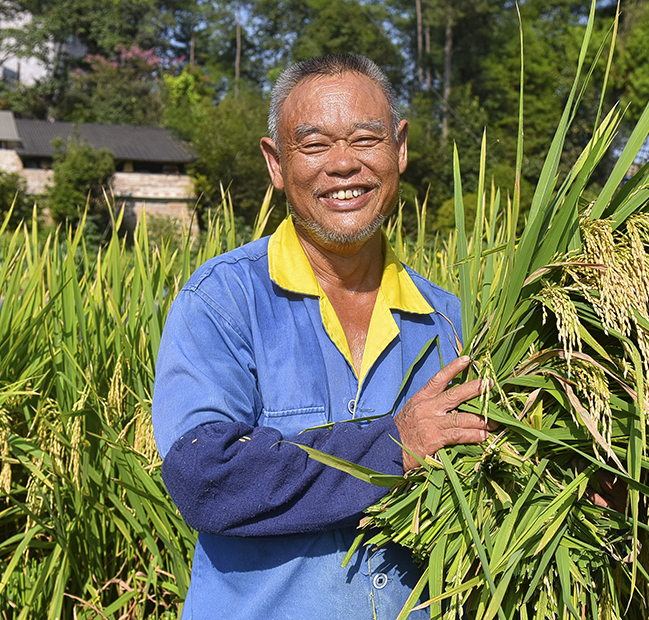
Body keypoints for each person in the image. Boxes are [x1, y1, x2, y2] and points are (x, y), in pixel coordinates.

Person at [151, 54, 496, 620]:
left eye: (366, 139)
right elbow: (205, 475)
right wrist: (394, 446)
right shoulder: (224, 301)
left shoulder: (449, 321)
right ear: (277, 163)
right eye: (314, 145)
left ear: (400, 148)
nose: (343, 165)